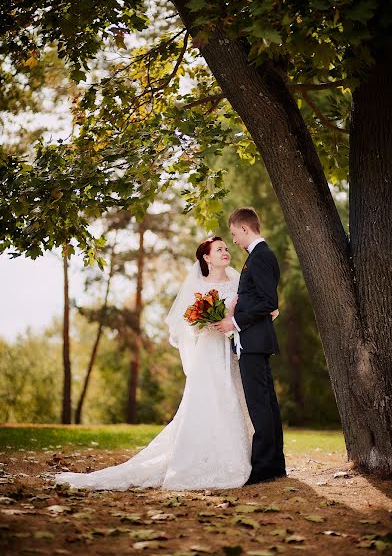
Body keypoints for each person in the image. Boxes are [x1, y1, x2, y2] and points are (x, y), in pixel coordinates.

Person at [53, 237, 254, 491]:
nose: (226, 252)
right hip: (207, 353)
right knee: (206, 402)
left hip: (230, 351)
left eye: (226, 248)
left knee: (232, 399)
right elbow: (187, 324)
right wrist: (205, 323)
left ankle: (236, 456)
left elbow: (246, 312)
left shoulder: (237, 281)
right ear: (206, 257)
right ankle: (198, 460)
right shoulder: (199, 286)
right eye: (219, 250)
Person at [214, 207, 287, 485]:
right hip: (255, 341)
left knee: (260, 405)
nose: (233, 240)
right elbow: (263, 300)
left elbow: (269, 302)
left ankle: (265, 467)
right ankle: (274, 465)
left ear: (245, 228)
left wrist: (234, 322)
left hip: (254, 342)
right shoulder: (258, 256)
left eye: (234, 234)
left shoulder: (259, 257)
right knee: (266, 404)